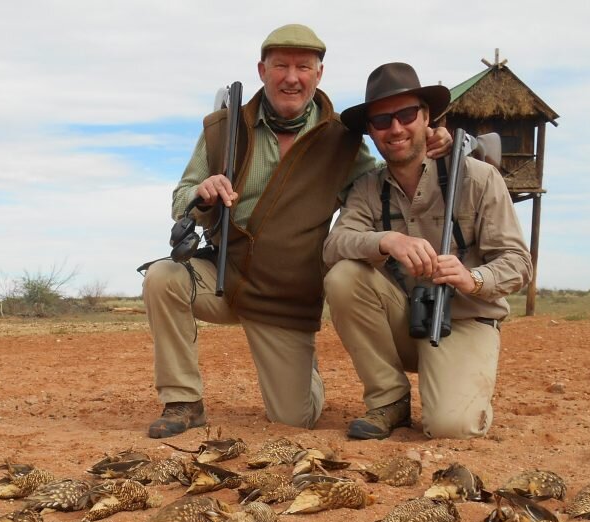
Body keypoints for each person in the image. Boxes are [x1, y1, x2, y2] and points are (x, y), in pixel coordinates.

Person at [142, 26, 452, 438]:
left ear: (318, 74)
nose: (292, 77)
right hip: (222, 278)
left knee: (293, 420)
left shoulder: (343, 139)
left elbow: (384, 184)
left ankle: (306, 374)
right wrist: (202, 193)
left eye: (303, 66)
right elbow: (181, 199)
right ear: (262, 70)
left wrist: (423, 145)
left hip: (285, 295)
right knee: (163, 277)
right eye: (281, 65)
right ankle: (183, 401)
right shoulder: (220, 128)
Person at [323, 62, 533, 440]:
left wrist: (472, 279)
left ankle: (460, 383)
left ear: (427, 118)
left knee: (451, 427)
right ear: (371, 132)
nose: (396, 128)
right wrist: (387, 240)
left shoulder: (480, 178)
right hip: (405, 317)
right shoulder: (368, 187)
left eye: (407, 114)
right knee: (343, 276)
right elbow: (334, 245)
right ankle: (389, 402)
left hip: (465, 320)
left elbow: (518, 263)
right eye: (382, 120)